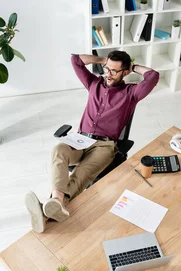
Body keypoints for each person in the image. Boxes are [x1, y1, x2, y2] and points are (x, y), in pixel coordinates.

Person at [24, 51, 159, 233]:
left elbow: (153, 76)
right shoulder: (94, 83)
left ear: (125, 73)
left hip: (105, 146)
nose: (108, 74)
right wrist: (104, 60)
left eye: (114, 71)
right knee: (59, 149)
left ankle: (49, 208)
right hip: (80, 140)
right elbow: (75, 60)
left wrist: (132, 66)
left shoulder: (131, 93)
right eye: (106, 69)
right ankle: (55, 204)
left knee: (82, 174)